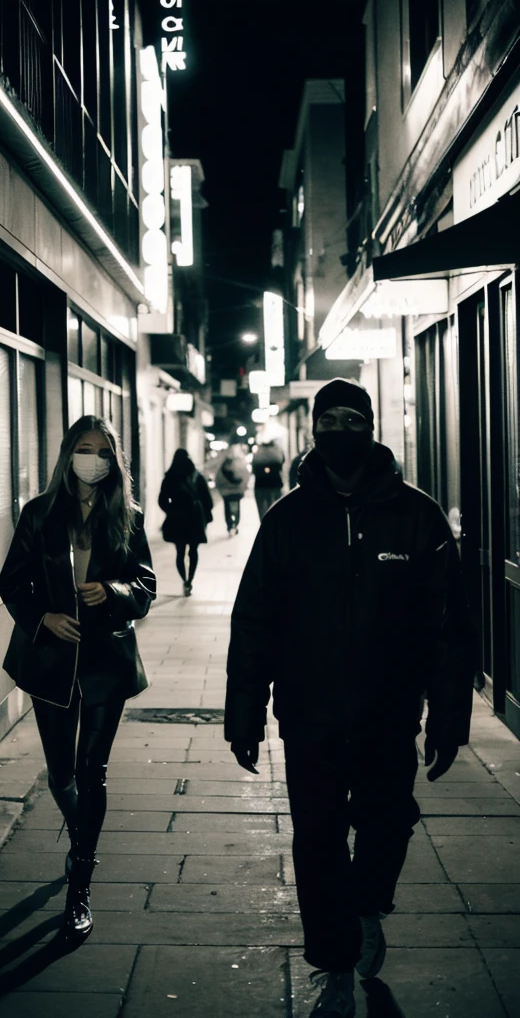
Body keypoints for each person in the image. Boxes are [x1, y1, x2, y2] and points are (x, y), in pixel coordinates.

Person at [225, 378, 476, 1017]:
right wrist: (244, 711)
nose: (339, 430)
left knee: (388, 823)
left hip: (390, 714)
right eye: (328, 420)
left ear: (371, 426)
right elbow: (253, 618)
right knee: (316, 838)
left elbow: (448, 627)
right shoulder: (287, 519)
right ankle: (334, 965)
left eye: (351, 419)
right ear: (315, 430)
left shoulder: (416, 516)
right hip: (308, 715)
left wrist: (449, 717)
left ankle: (367, 905)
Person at [0, 415, 156, 941]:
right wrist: (42, 617)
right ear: (69, 455)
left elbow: (146, 585)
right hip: (52, 663)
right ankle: (80, 837)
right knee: (62, 772)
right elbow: (11, 580)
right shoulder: (40, 514)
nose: (93, 459)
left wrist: (113, 592)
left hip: (106, 660)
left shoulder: (125, 515)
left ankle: (80, 885)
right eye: (84, 449)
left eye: (103, 451)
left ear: (114, 461)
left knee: (93, 768)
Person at [159, 448, 213, 595]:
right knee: (193, 551)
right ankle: (190, 579)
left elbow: (162, 500)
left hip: (177, 519)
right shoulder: (196, 476)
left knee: (180, 552)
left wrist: (172, 511)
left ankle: (185, 580)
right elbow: (207, 499)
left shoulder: (170, 477)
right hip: (195, 518)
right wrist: (206, 515)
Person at [215, 445, 250, 535]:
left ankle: (230, 524)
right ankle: (235, 523)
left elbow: (218, 479)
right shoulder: (239, 466)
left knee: (227, 508)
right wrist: (243, 487)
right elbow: (245, 476)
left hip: (226, 492)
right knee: (237, 507)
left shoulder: (222, 467)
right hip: (237, 491)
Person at [252, 439, 285, 519]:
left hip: (260, 484)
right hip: (275, 483)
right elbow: (282, 462)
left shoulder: (258, 453)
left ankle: (264, 524)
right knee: (275, 506)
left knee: (261, 508)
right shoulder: (277, 451)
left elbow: (254, 469)